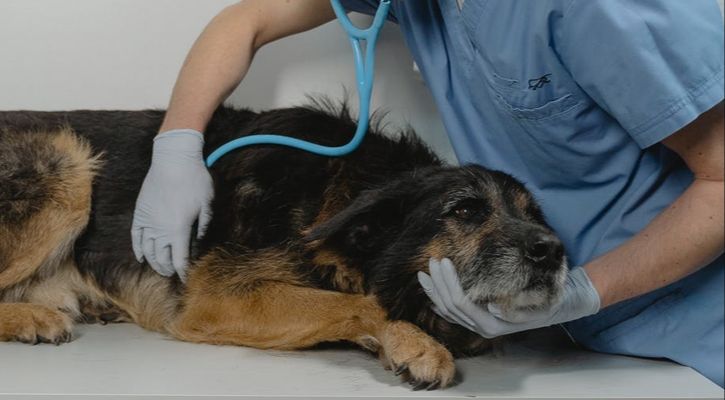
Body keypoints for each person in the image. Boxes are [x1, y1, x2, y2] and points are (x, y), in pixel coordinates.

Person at [131, 0, 725, 386]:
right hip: (550, 337)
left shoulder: (604, 9)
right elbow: (248, 19)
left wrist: (584, 293)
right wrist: (177, 141)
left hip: (691, 319)